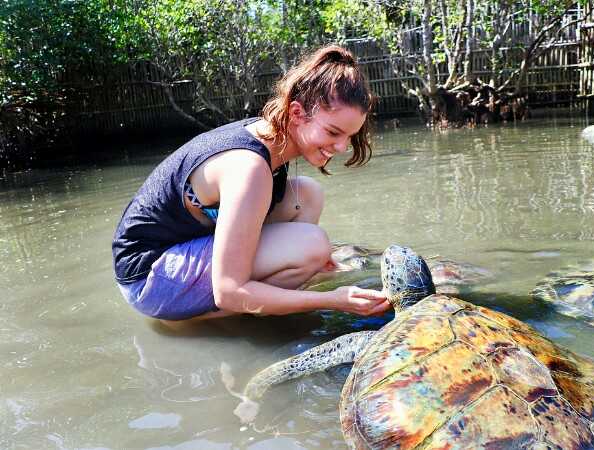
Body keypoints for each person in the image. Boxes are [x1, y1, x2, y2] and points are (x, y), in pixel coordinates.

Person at [112, 45, 390, 321]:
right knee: (312, 245)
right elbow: (228, 291)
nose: (341, 147)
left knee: (307, 194)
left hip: (180, 248)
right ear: (296, 113)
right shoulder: (249, 168)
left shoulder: (269, 134)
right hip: (148, 280)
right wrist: (330, 300)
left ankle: (269, 292)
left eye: (349, 137)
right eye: (333, 132)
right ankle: (234, 311)